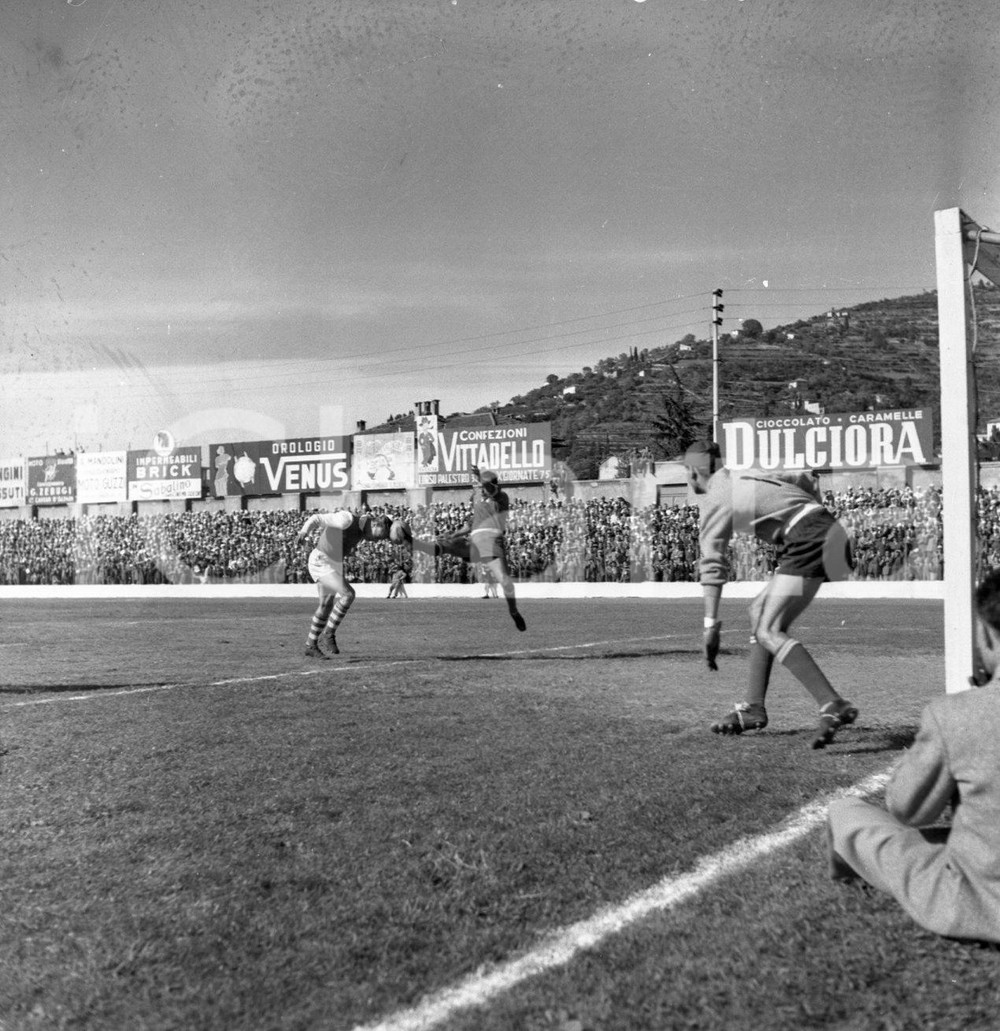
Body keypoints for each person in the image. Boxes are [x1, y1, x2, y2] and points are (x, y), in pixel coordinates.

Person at [826, 569, 1000, 943]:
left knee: (846, 812)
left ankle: (850, 875)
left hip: (978, 905)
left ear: (987, 634)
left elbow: (907, 809)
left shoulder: (955, 714)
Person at [684, 440, 856, 748]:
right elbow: (804, 476)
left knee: (769, 628)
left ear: (696, 470)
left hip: (809, 536)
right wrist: (810, 514)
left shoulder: (716, 497)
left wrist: (710, 625)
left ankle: (832, 703)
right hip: (827, 531)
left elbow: (712, 561)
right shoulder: (748, 474)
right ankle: (753, 708)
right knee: (759, 613)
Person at [391, 466, 526, 631]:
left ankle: (513, 611)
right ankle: (414, 543)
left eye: (483, 486)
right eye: (480, 487)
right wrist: (452, 534)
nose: (481, 489)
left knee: (505, 581)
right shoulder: (479, 503)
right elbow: (468, 526)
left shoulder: (501, 497)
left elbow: (490, 488)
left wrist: (479, 476)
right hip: (474, 541)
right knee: (446, 546)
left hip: (492, 542)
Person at [297, 509, 391, 659]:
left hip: (333, 563)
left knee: (325, 605)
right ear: (374, 524)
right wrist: (303, 532)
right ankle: (328, 634)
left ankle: (311, 645)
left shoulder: (363, 529)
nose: (376, 541)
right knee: (348, 595)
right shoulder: (346, 519)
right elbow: (316, 518)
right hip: (321, 560)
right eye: (378, 536)